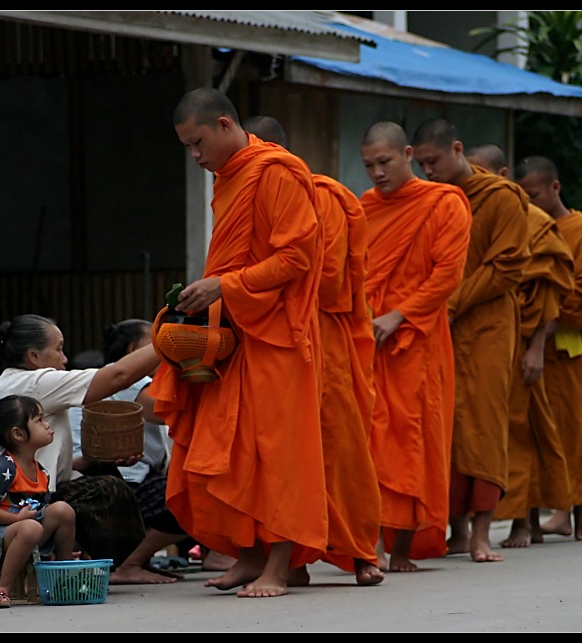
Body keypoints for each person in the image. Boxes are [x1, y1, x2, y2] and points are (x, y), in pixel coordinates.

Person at [149, 87, 327, 598]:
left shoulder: (275, 172)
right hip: (237, 335)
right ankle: (249, 556)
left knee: (279, 453)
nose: (195, 156)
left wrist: (225, 286)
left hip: (279, 336)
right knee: (239, 451)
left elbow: (297, 258)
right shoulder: (230, 179)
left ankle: (280, 562)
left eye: (198, 142)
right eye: (187, 147)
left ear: (225, 125)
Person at [243, 114, 385, 586]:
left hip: (323, 337)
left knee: (340, 446)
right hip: (267, 336)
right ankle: (290, 558)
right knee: (275, 449)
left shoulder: (319, 195)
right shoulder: (242, 192)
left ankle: (362, 552)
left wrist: (250, 286)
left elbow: (326, 279)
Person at [0, 313, 176, 585]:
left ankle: (77, 564)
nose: (65, 358)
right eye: (58, 349)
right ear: (34, 357)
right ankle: (116, 565)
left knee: (102, 475)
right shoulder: (35, 383)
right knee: (107, 491)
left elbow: (52, 472)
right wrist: (170, 338)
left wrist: (93, 459)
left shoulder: (3, 387)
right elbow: (118, 375)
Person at [410, 121, 529, 562]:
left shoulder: (501, 198)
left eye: (434, 161)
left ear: (458, 150)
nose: (428, 171)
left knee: (484, 425)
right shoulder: (431, 201)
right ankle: (455, 529)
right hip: (441, 325)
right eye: (421, 164)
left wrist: (453, 301)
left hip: (489, 326)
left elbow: (508, 266)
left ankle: (481, 533)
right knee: (446, 426)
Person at [359, 120, 471, 571]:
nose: (377, 173)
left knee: (409, 437)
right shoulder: (365, 207)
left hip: (417, 339)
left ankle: (403, 547)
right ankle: (372, 541)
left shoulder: (444, 202)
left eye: (384, 162)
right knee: (369, 437)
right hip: (368, 338)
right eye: (368, 165)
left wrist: (398, 314)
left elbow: (447, 273)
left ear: (407, 154)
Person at [458, 143, 576, 549]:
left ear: (501, 175)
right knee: (461, 431)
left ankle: (521, 523)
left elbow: (550, 290)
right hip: (460, 334)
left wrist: (536, 347)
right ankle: (458, 527)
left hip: (513, 337)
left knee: (516, 432)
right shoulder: (454, 204)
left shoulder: (536, 222)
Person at [514, 155, 582, 541]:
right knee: (525, 433)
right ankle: (526, 520)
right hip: (523, 343)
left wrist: (547, 320)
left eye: (534, 194)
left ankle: (578, 510)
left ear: (555, 188)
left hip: (569, 347)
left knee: (574, 432)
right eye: (522, 195)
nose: (528, 202)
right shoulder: (521, 225)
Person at [69, 318, 204, 577]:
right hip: (116, 483)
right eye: (156, 344)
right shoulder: (125, 379)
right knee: (194, 491)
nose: (166, 350)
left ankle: (140, 560)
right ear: (133, 350)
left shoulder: (115, 378)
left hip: (121, 478)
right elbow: (171, 410)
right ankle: (129, 564)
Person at [0, 394, 77, 608]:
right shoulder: (5, 467)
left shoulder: (41, 471)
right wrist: (15, 518)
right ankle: (1, 589)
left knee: (63, 510)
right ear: (18, 434)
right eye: (39, 420)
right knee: (30, 528)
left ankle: (65, 575)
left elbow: (43, 510)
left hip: (27, 528)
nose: (47, 425)